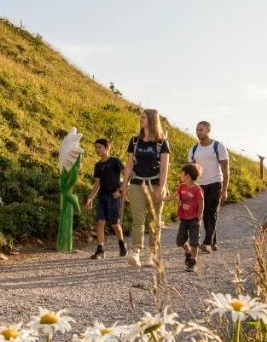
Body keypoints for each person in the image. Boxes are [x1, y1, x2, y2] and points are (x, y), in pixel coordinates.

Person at [119, 109, 171, 267]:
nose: (140, 119)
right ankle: (135, 252)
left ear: (152, 120)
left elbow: (164, 167)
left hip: (155, 184)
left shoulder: (162, 143)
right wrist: (124, 185)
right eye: (140, 117)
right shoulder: (135, 141)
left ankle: (153, 255)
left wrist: (161, 187)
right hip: (136, 184)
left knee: (154, 221)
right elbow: (129, 165)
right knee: (138, 219)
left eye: (143, 117)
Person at [188, 121, 229, 252]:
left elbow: (225, 169)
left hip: (215, 183)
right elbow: (190, 171)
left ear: (208, 130)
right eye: (197, 130)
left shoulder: (218, 146)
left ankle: (206, 242)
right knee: (203, 214)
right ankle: (213, 240)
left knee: (211, 212)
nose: (198, 132)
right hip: (199, 185)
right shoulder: (194, 149)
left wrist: (225, 190)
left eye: (201, 130)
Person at [83, 138, 126, 259]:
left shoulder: (115, 161)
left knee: (114, 224)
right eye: (96, 147)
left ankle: (121, 243)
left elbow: (127, 176)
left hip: (114, 196)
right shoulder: (97, 165)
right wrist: (90, 198)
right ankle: (100, 249)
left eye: (100, 147)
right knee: (100, 221)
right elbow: (97, 184)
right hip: (102, 196)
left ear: (107, 148)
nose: (97, 150)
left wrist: (120, 191)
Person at [169, 163, 204, 271]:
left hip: (194, 219)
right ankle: (188, 252)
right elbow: (172, 196)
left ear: (187, 175)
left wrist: (199, 217)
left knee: (194, 241)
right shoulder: (181, 187)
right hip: (184, 219)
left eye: (182, 173)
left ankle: (193, 263)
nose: (181, 175)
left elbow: (201, 203)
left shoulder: (197, 189)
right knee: (180, 241)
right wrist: (161, 198)